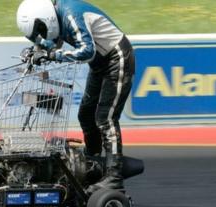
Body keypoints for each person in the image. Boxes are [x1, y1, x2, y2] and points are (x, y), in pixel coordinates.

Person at [16, 0, 135, 192]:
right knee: (85, 115)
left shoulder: (71, 15)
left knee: (105, 118)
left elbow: (87, 51)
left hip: (117, 58)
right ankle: (93, 164)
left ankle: (114, 176)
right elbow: (53, 42)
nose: (41, 35)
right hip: (100, 63)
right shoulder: (56, 16)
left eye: (40, 31)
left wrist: (53, 55)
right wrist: (36, 52)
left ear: (45, 19)